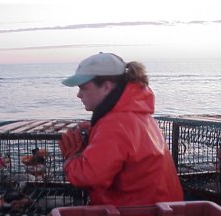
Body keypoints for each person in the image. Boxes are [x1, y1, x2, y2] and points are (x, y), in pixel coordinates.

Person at [58, 52, 183, 206]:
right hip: (166, 213)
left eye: (83, 87)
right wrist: (95, 131)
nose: (79, 94)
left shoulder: (113, 125)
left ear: (106, 87)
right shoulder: (139, 116)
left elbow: (91, 177)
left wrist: (72, 158)